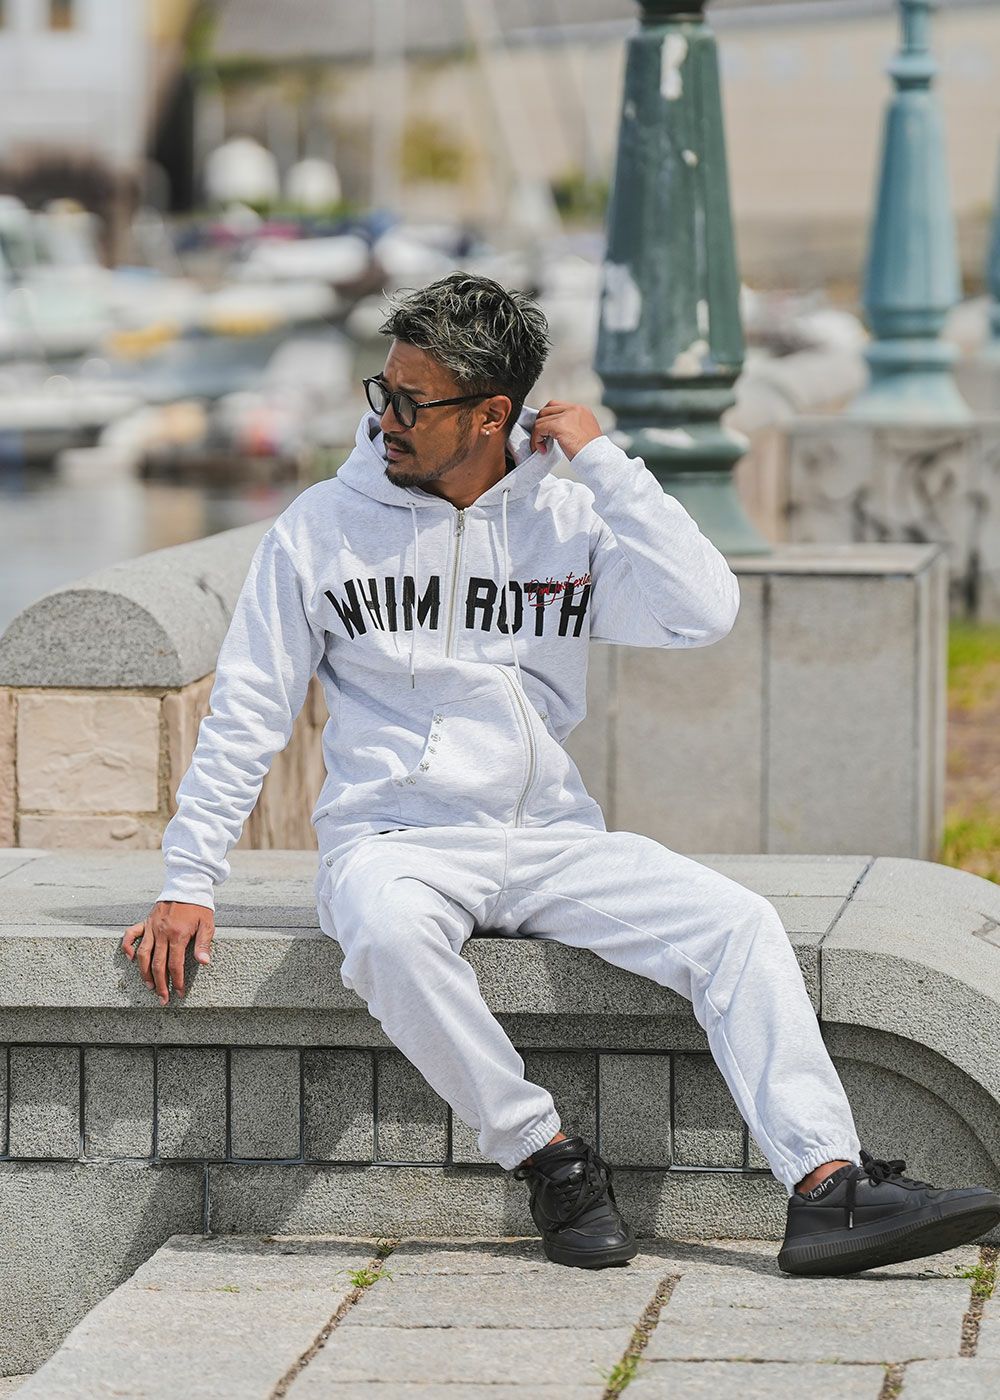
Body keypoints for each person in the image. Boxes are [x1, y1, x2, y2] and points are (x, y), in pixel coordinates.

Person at [123, 272, 1000, 1274]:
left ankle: (825, 1185)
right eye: (385, 390)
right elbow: (249, 705)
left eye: (413, 401)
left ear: (490, 414)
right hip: (396, 840)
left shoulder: (564, 518)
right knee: (386, 934)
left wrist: (607, 466)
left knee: (737, 925)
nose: (386, 419)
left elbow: (702, 609)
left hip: (548, 836)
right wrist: (190, 878)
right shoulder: (322, 527)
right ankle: (550, 1158)